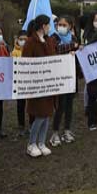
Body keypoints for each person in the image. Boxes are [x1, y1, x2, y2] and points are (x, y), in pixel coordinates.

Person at [22, 15, 57, 157]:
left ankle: (41, 142)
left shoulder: (49, 40)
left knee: (47, 114)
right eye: (48, 25)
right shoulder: (30, 42)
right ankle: (31, 143)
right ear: (43, 26)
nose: (50, 27)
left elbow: (54, 57)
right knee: (40, 115)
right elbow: (26, 63)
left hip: (48, 84)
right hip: (36, 85)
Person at [50, 16, 80, 147]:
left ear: (70, 26)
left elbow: (77, 51)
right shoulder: (54, 38)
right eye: (59, 24)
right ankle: (55, 132)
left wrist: (78, 51)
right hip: (59, 77)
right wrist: (71, 47)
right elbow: (55, 50)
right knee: (60, 106)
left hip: (71, 76)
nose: (61, 27)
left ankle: (67, 130)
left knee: (69, 105)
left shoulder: (74, 39)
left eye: (64, 24)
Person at [11, 32, 29, 136]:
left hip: (29, 80)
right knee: (20, 105)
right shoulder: (14, 52)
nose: (23, 41)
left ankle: (31, 124)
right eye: (21, 39)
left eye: (25, 39)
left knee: (31, 103)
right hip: (19, 81)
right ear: (17, 40)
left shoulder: (30, 50)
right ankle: (21, 125)